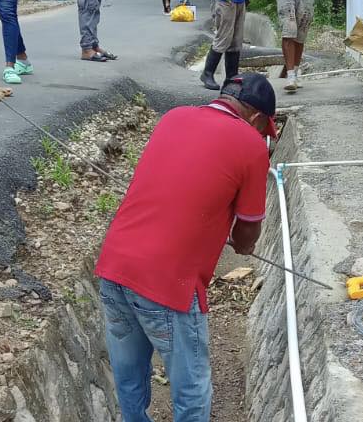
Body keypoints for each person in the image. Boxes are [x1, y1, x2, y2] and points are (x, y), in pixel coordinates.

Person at [96, 71, 277, 422]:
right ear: (256, 118)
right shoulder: (252, 145)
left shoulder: (174, 116)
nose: (261, 135)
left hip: (114, 268)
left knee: (130, 380)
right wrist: (241, 243)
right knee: (192, 389)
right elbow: (247, 232)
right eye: (263, 128)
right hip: (168, 285)